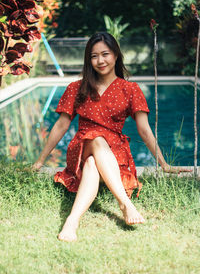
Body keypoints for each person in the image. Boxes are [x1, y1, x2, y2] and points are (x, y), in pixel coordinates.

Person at [33, 32, 190, 242]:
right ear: (89, 60)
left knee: (91, 165)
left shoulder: (131, 89)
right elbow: (61, 125)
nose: (100, 61)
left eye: (105, 54)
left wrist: (163, 163)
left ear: (116, 55)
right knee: (95, 139)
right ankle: (125, 203)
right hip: (82, 145)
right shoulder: (77, 88)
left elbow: (144, 130)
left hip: (115, 152)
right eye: (94, 56)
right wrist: (40, 160)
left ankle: (72, 221)